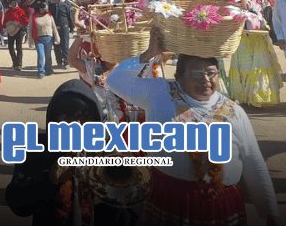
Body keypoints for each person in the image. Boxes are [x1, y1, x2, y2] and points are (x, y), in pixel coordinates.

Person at [105, 28, 281, 225]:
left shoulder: (234, 112)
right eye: (196, 74)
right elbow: (114, 81)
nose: (205, 79)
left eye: (210, 73)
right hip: (169, 198)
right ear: (179, 77)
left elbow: (252, 161)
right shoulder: (159, 93)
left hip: (222, 204)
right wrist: (148, 54)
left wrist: (270, 212)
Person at [5, 80, 138, 225]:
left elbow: (130, 218)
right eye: (68, 120)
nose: (77, 128)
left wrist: (111, 197)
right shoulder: (35, 147)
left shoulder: (108, 152)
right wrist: (49, 180)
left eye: (85, 119)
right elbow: (17, 205)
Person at [29, 1, 60, 78]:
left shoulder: (49, 15)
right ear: (38, 8)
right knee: (41, 55)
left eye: (45, 8)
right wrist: (30, 42)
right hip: (38, 38)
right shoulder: (33, 16)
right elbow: (30, 29)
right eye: (42, 8)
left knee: (48, 55)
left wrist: (57, 38)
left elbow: (54, 27)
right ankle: (41, 71)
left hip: (48, 38)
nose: (44, 10)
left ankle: (49, 69)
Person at [47, 0, 73, 69]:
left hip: (64, 27)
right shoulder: (50, 6)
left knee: (65, 45)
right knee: (56, 45)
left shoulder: (65, 6)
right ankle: (59, 61)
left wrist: (71, 29)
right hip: (54, 28)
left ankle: (66, 62)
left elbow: (69, 17)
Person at [4, 0, 28, 71]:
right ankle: (15, 62)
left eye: (15, 3)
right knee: (10, 47)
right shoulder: (8, 12)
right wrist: (5, 27)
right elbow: (5, 21)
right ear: (10, 4)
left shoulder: (20, 11)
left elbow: (26, 21)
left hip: (19, 31)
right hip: (10, 31)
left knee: (19, 47)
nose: (14, 4)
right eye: (12, 3)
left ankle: (19, 64)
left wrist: (20, 25)